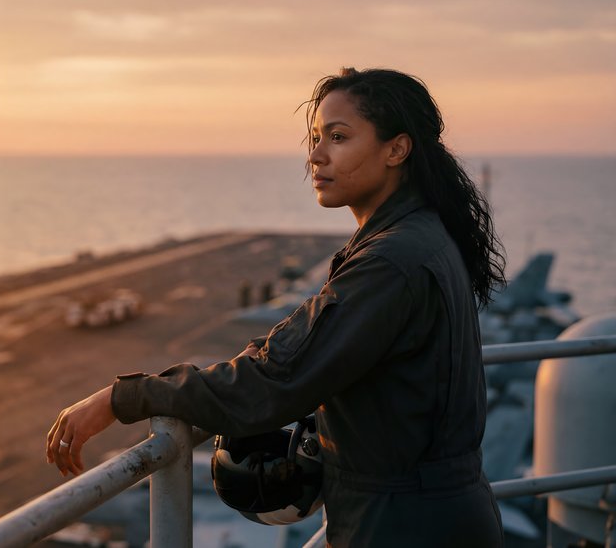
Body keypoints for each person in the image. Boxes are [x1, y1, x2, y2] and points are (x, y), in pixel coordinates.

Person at [46, 67, 507, 547]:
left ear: (396, 149)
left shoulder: (389, 262)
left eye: (338, 137)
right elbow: (309, 344)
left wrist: (122, 398)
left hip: (402, 526)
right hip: (433, 513)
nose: (316, 155)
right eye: (316, 138)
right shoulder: (421, 234)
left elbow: (273, 382)